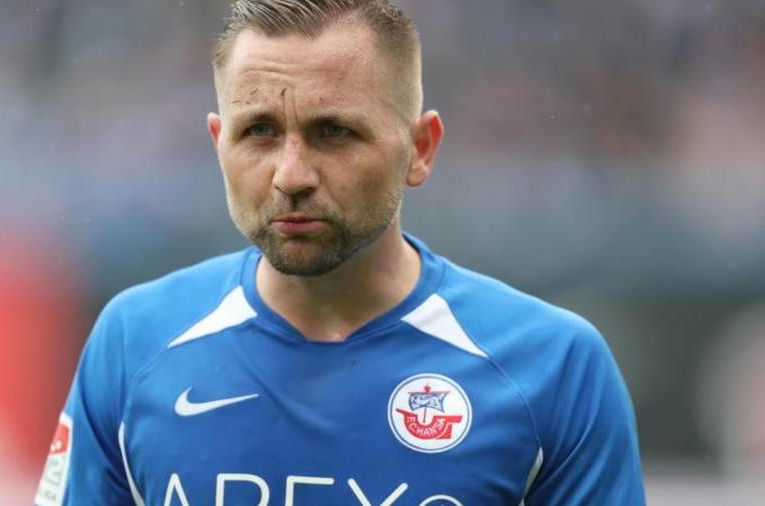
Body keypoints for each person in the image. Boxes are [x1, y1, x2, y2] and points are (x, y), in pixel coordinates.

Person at [35, 1, 645, 504]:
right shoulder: (134, 342)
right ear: (219, 144)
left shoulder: (554, 369)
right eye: (259, 132)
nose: (290, 175)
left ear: (421, 149)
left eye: (333, 132)